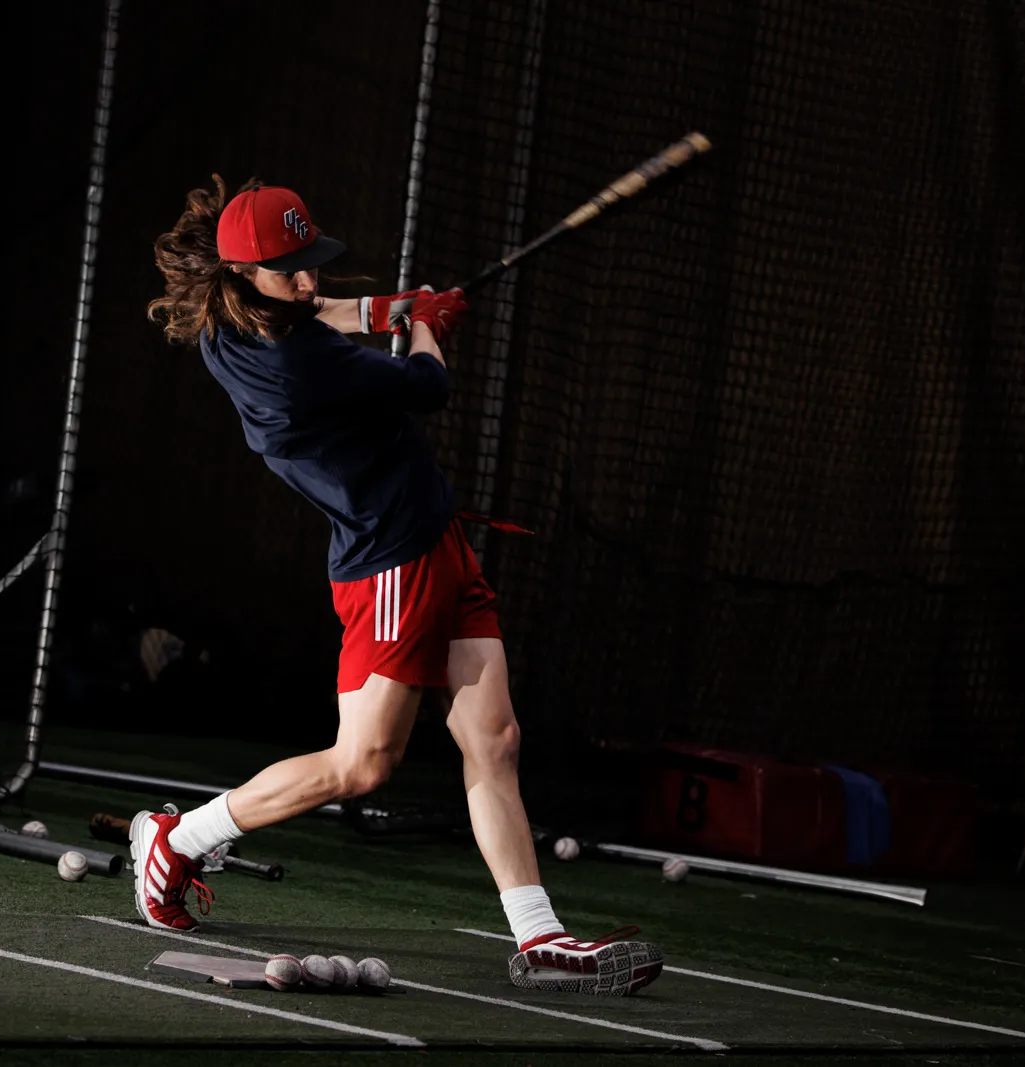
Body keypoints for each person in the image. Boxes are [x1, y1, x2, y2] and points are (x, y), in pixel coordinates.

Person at [141, 175, 661, 995]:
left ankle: (540, 936)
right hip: (390, 564)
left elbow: (322, 309)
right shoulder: (297, 365)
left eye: (310, 260)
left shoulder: (233, 318)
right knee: (362, 765)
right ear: (242, 272)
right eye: (288, 269)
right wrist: (424, 324)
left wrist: (391, 308)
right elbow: (428, 385)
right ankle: (179, 840)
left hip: (436, 537)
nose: (308, 279)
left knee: (496, 740)